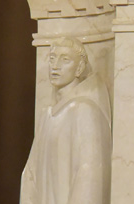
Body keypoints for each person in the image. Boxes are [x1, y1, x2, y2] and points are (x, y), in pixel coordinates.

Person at [21, 37, 111, 204]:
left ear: (80, 68)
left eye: (65, 60)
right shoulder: (47, 115)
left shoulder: (85, 110)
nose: (55, 66)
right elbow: (31, 174)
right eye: (53, 58)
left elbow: (89, 175)